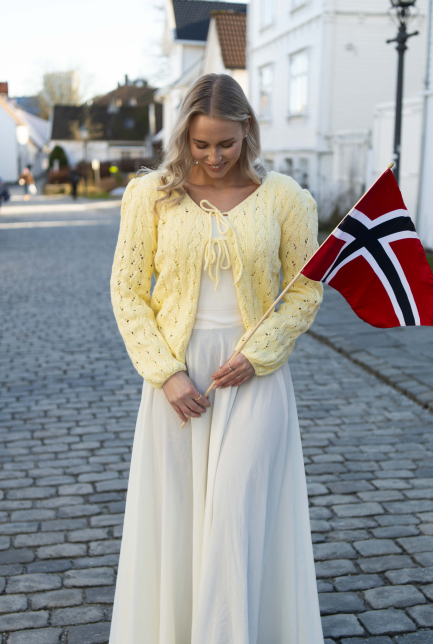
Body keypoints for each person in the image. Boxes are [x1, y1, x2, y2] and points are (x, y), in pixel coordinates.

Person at [109, 73, 325, 644]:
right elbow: (127, 290)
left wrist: (261, 353)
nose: (213, 156)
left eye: (225, 143)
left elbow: (305, 289)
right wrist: (166, 373)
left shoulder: (286, 197)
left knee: (236, 514)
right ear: (184, 135)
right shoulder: (151, 195)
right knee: (180, 521)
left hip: (255, 377)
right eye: (200, 143)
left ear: (247, 129)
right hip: (179, 379)